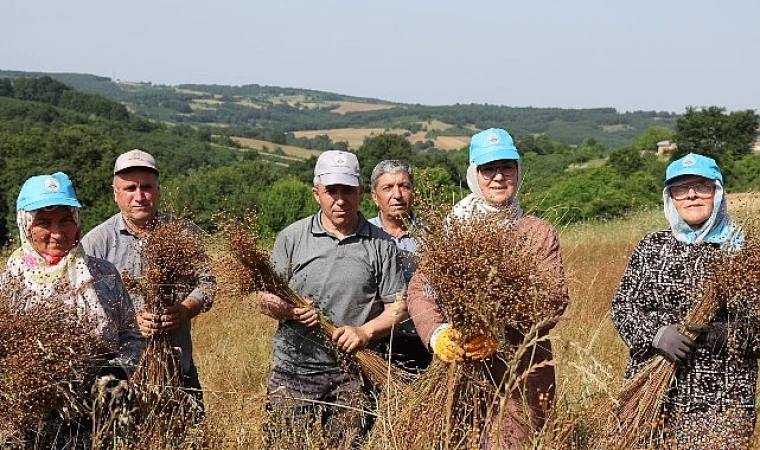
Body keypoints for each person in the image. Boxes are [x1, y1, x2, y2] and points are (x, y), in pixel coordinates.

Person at [407, 128, 569, 448]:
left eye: (506, 167)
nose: (498, 177)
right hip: (462, 372)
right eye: (488, 169)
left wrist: (498, 329)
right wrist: (438, 333)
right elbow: (420, 291)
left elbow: (554, 300)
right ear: (474, 175)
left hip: (523, 375)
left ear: (518, 172)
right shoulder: (453, 230)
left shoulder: (537, 233)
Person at [258, 150, 407, 448]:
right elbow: (264, 299)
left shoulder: (381, 244)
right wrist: (287, 310)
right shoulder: (291, 237)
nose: (340, 199)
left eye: (348, 190)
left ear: (361, 192)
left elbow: (398, 307)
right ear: (317, 194)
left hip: (353, 374)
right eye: (332, 191)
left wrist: (364, 332)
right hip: (293, 370)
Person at [611, 153, 758, 448]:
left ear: (717, 192)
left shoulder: (745, 252)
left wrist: (730, 336)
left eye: (701, 186)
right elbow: (623, 306)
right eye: (681, 188)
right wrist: (656, 333)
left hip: (723, 400)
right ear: (671, 198)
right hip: (653, 395)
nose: (691, 195)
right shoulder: (652, 246)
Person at [3, 172, 144, 448]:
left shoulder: (102, 274)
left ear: (77, 222)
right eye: (44, 222)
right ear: (26, 226)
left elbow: (132, 333)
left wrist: (118, 371)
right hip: (33, 418)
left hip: (101, 413)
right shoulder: (10, 284)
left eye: (66, 220)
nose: (58, 232)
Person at [81, 149, 215, 406]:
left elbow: (207, 284)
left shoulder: (183, 233)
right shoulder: (97, 243)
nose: (139, 196)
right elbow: (86, 308)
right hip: (121, 376)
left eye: (147, 187)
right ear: (115, 194)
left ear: (158, 190)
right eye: (130, 188)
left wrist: (186, 309)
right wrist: (129, 323)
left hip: (178, 369)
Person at [368, 159, 432, 372]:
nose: (397, 194)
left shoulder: (433, 237)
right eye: (387, 188)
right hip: (374, 341)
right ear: (375, 197)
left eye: (404, 186)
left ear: (413, 192)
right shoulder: (363, 236)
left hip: (423, 340)